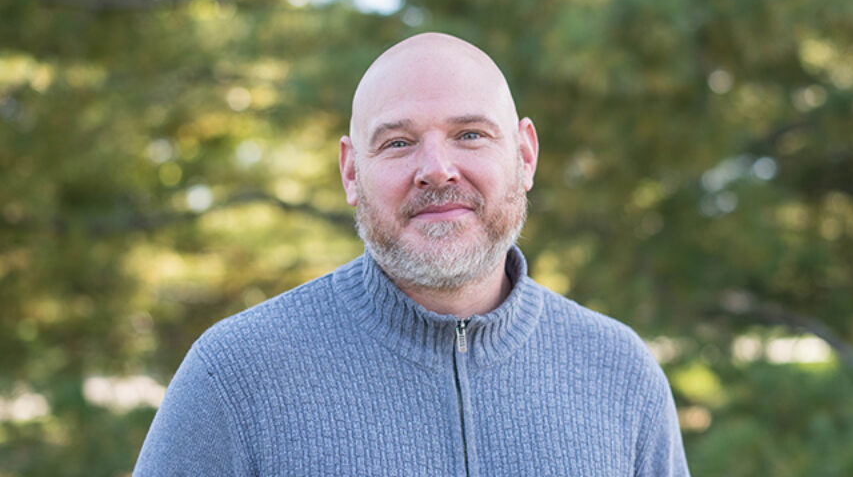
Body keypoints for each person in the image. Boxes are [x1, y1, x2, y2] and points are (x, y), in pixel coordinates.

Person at [134, 32, 690, 476]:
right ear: (352, 172)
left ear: (525, 154)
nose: (436, 169)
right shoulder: (235, 375)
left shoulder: (621, 374)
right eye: (398, 142)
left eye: (470, 134)